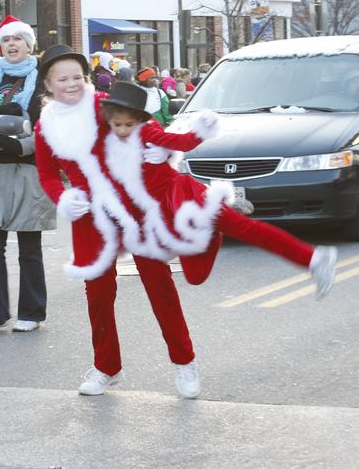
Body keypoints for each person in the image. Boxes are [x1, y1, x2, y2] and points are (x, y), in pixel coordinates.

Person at [34, 55, 335, 399]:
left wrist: (164, 147)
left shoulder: (105, 105)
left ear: (87, 78)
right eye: (62, 80)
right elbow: (46, 173)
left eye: (77, 77)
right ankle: (106, 367)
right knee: (98, 294)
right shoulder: (46, 127)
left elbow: (150, 129)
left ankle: (184, 362)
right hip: (93, 214)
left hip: (141, 205)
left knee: (159, 285)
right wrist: (63, 197)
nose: (72, 84)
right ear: (47, 85)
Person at [0, 15, 55, 334]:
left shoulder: (42, 80)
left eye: (17, 39)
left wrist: (20, 143)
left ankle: (31, 312)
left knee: (28, 248)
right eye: (6, 40)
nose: (11, 45)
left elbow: (49, 127)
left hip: (27, 172)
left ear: (28, 44)